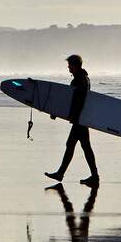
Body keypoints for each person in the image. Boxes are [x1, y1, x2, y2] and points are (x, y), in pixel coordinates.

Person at [45, 53, 98, 187]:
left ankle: (62, 173)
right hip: (81, 118)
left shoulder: (80, 80)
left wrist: (59, 112)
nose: (68, 68)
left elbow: (74, 101)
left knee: (76, 146)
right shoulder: (83, 78)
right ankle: (92, 176)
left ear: (75, 65)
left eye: (69, 65)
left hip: (79, 119)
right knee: (83, 147)